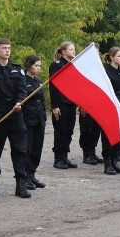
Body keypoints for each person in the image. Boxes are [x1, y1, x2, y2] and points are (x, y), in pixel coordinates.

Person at [0, 38, 31, 198]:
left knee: (20, 150)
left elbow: (23, 90)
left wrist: (19, 102)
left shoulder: (17, 70)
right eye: (4, 48)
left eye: (9, 48)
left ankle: (21, 184)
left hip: (16, 115)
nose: (7, 51)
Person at [48, 41, 78, 170]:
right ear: (64, 52)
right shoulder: (57, 65)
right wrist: (54, 105)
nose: (73, 51)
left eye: (74, 49)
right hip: (61, 103)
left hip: (71, 102)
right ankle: (58, 158)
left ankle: (65, 156)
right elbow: (53, 86)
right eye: (71, 49)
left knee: (69, 131)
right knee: (60, 131)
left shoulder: (73, 65)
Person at [101, 47, 120, 175]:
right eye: (118, 56)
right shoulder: (106, 72)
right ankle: (107, 163)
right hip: (109, 104)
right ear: (111, 57)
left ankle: (115, 161)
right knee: (109, 134)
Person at [22, 55, 47, 190]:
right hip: (28, 119)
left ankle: (32, 174)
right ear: (29, 66)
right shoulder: (22, 81)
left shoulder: (38, 81)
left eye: (40, 66)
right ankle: (24, 176)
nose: (38, 68)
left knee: (37, 149)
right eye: (36, 65)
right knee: (28, 148)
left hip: (39, 119)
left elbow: (42, 102)